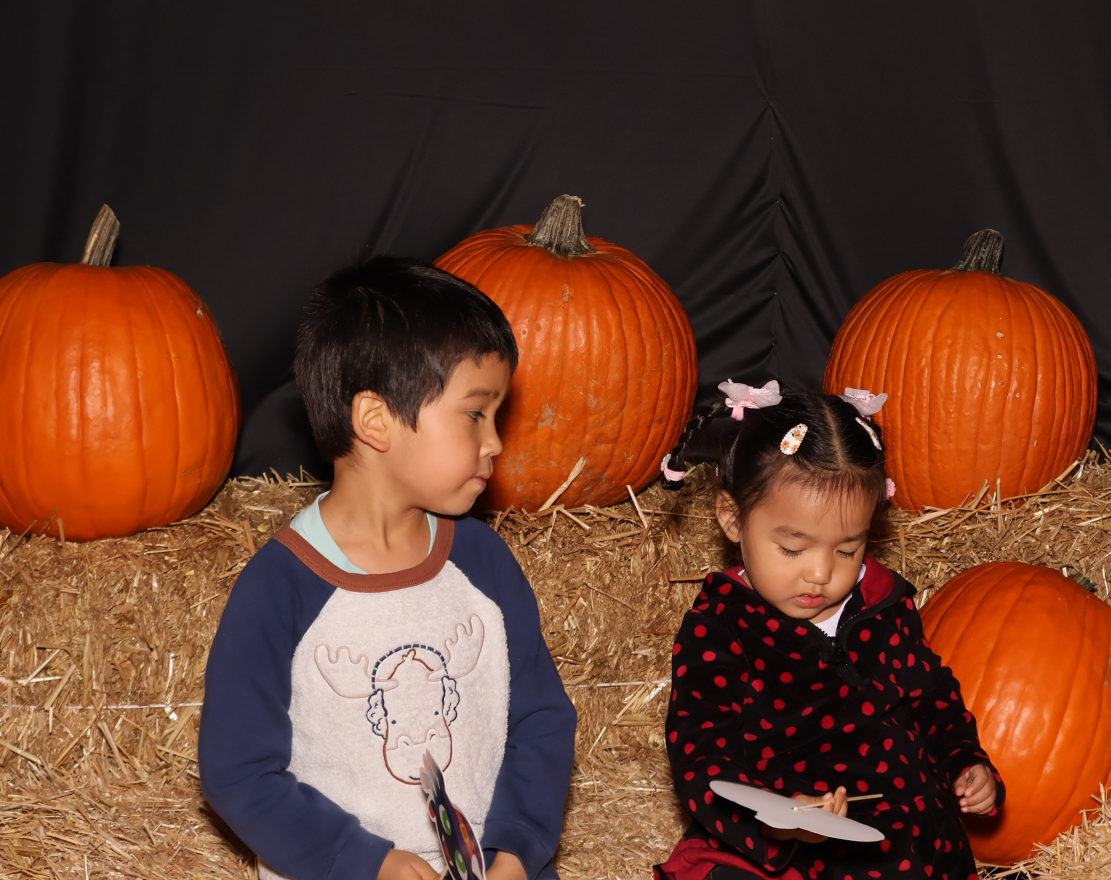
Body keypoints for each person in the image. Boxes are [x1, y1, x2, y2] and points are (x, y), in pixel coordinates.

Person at [200, 257, 576, 880]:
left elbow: (541, 720)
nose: (495, 442)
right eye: (475, 413)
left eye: (497, 416)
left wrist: (516, 851)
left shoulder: (482, 562)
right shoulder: (280, 587)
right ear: (375, 420)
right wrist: (365, 862)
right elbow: (238, 772)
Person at [654, 380, 1004, 880]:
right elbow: (701, 757)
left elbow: (932, 698)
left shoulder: (884, 604)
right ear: (733, 519)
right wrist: (778, 820)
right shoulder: (719, 629)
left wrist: (964, 761)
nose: (821, 573)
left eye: (847, 549)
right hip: (786, 847)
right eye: (793, 549)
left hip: (904, 838)